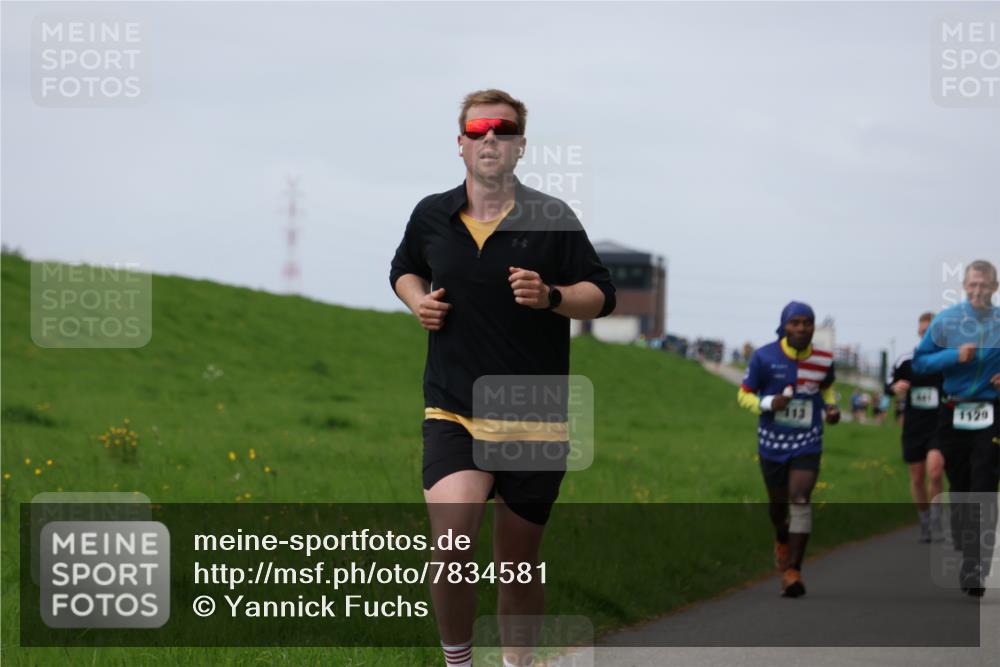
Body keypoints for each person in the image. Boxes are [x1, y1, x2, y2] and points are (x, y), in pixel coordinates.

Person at [389, 89, 616, 667]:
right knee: (452, 544)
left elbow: (601, 295)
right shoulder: (431, 215)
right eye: (479, 129)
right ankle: (459, 662)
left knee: (517, 561)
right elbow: (404, 269)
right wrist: (418, 302)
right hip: (453, 408)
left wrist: (553, 296)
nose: (491, 138)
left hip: (532, 411)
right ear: (460, 144)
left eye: (504, 129)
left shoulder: (553, 217)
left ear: (520, 146)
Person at [738, 301, 840, 598]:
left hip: (808, 440)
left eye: (807, 322)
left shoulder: (823, 359)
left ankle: (793, 571)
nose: (802, 328)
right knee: (779, 506)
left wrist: (832, 408)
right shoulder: (764, 357)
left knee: (800, 498)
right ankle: (781, 537)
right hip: (772, 443)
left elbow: (827, 388)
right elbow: (744, 395)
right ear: (784, 326)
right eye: (795, 322)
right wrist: (769, 403)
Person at [913, 260, 1000, 597]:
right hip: (953, 411)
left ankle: (977, 565)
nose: (978, 290)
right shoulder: (947, 321)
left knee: (984, 481)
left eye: (985, 285)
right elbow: (920, 363)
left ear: (994, 288)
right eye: (973, 285)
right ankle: (967, 543)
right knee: (961, 484)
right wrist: (952, 357)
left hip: (991, 410)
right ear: (965, 286)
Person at [889, 312, 946, 542]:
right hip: (914, 426)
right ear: (918, 333)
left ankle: (936, 519)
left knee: (935, 470)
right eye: (923, 332)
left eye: (930, 332)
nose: (926, 336)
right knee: (917, 477)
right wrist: (895, 388)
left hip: (940, 425)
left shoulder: (947, 360)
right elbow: (888, 385)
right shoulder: (905, 360)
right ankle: (923, 520)